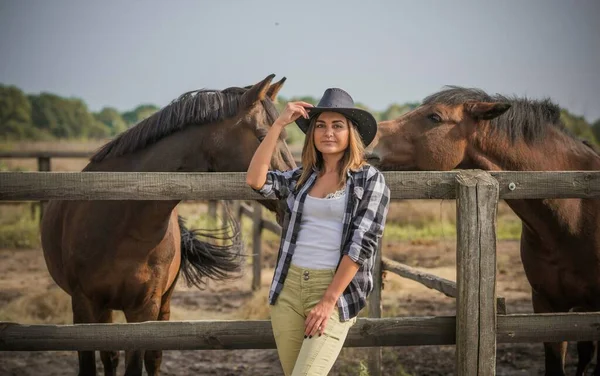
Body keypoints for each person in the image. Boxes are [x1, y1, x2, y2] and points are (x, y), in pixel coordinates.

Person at [246, 88, 390, 375]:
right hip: (289, 288)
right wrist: (277, 125)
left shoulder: (369, 180)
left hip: (333, 291)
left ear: (352, 134)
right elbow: (256, 180)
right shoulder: (303, 176)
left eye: (338, 126)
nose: (328, 133)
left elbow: (361, 245)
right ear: (312, 133)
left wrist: (328, 301)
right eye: (320, 125)